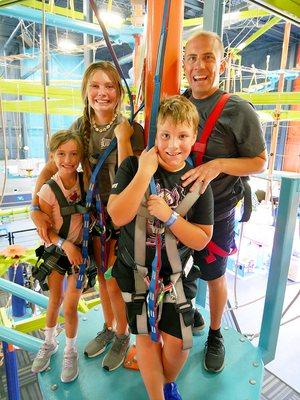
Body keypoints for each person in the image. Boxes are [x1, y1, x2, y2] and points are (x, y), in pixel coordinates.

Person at [30, 61, 144, 371]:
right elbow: (52, 167)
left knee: (116, 281)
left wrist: (123, 138)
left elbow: (132, 173)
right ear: (86, 91)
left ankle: (123, 335)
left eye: (109, 86)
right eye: (95, 86)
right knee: (104, 283)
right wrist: (35, 207)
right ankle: (109, 327)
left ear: (119, 93)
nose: (102, 93)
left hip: (122, 217)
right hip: (95, 217)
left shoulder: (131, 129)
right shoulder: (81, 128)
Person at [107, 95, 214, 400]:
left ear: (193, 138)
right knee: (144, 337)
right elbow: (118, 215)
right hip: (136, 271)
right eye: (165, 135)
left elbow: (201, 238)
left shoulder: (196, 180)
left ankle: (165, 382)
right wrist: (144, 173)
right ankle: (159, 395)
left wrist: (170, 217)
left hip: (176, 275)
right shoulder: (133, 167)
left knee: (180, 344)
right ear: (156, 135)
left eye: (182, 136)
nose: (172, 145)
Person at [182, 31, 267, 373]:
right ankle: (190, 312)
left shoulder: (237, 110)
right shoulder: (178, 103)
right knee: (179, 268)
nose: (199, 66)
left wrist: (217, 165)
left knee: (215, 274)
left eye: (207, 58)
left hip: (216, 212)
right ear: (184, 62)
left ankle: (216, 334)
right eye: (191, 58)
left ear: (222, 62)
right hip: (180, 211)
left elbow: (259, 160)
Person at [31, 130, 86, 382]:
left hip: (80, 253)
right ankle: (50, 342)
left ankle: (70, 350)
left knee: (71, 305)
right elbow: (45, 232)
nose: (68, 159)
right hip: (58, 249)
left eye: (74, 154)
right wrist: (66, 245)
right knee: (55, 299)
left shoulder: (86, 183)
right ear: (52, 156)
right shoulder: (47, 191)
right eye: (62, 154)